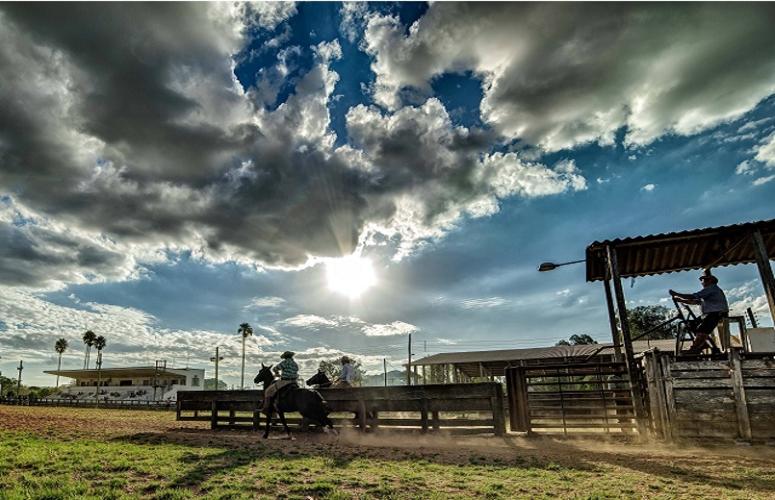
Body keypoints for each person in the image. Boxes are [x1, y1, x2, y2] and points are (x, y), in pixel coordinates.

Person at [670, 273, 729, 354]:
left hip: (717, 313)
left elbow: (693, 296)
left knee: (702, 329)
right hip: (708, 314)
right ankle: (703, 344)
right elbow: (696, 301)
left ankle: (695, 349)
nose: (702, 282)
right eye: (702, 280)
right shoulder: (708, 291)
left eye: (704, 280)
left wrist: (677, 294)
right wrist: (680, 300)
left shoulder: (712, 288)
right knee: (691, 324)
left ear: (710, 281)